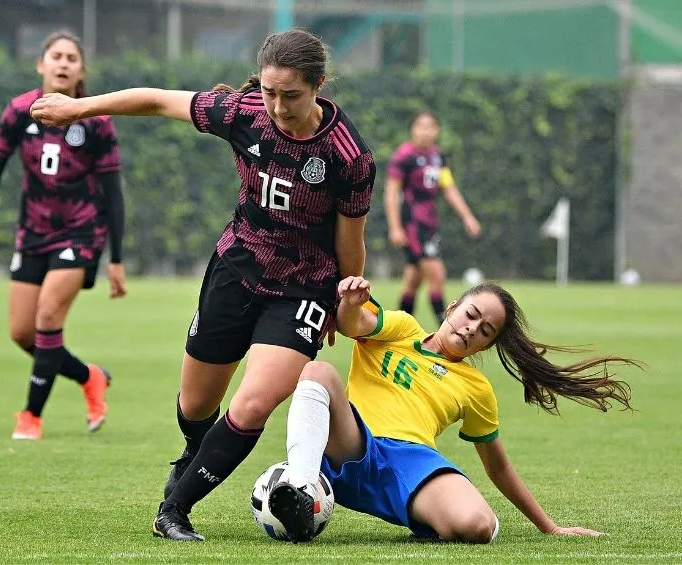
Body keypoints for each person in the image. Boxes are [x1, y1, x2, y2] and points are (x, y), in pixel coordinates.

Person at [31, 28, 375, 541]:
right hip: (236, 272)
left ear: (320, 85)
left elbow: (352, 242)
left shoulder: (349, 158)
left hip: (301, 292)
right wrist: (78, 109)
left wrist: (339, 301)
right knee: (195, 406)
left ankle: (175, 508)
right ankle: (197, 453)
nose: (278, 107)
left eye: (292, 95)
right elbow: (154, 99)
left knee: (252, 403)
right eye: (269, 91)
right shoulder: (243, 114)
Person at [268, 275, 639, 543]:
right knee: (318, 370)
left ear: (486, 346)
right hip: (353, 443)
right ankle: (300, 486)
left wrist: (549, 526)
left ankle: (430, 510)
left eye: (486, 330)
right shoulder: (402, 329)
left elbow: (498, 466)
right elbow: (353, 324)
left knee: (477, 526)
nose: (472, 329)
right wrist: (350, 301)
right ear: (452, 307)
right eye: (471, 314)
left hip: (412, 463)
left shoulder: (476, 388)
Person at [0, 30, 127, 441]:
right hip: (32, 233)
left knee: (48, 316)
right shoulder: (17, 112)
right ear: (41, 65)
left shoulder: (96, 120)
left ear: (81, 69)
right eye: (56, 56)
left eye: (72, 58)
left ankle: (30, 417)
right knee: (22, 333)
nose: (63, 63)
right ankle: (90, 377)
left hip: (81, 233)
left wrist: (115, 258)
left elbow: (114, 195)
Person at [384, 110, 481, 325]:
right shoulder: (404, 156)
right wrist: (395, 227)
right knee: (437, 275)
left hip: (429, 225)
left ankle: (399, 330)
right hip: (412, 225)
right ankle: (448, 328)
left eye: (431, 127)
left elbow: (449, 188)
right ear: (412, 129)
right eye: (421, 126)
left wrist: (468, 217)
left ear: (437, 130)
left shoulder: (437, 156)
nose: (425, 131)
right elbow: (391, 192)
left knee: (413, 281)